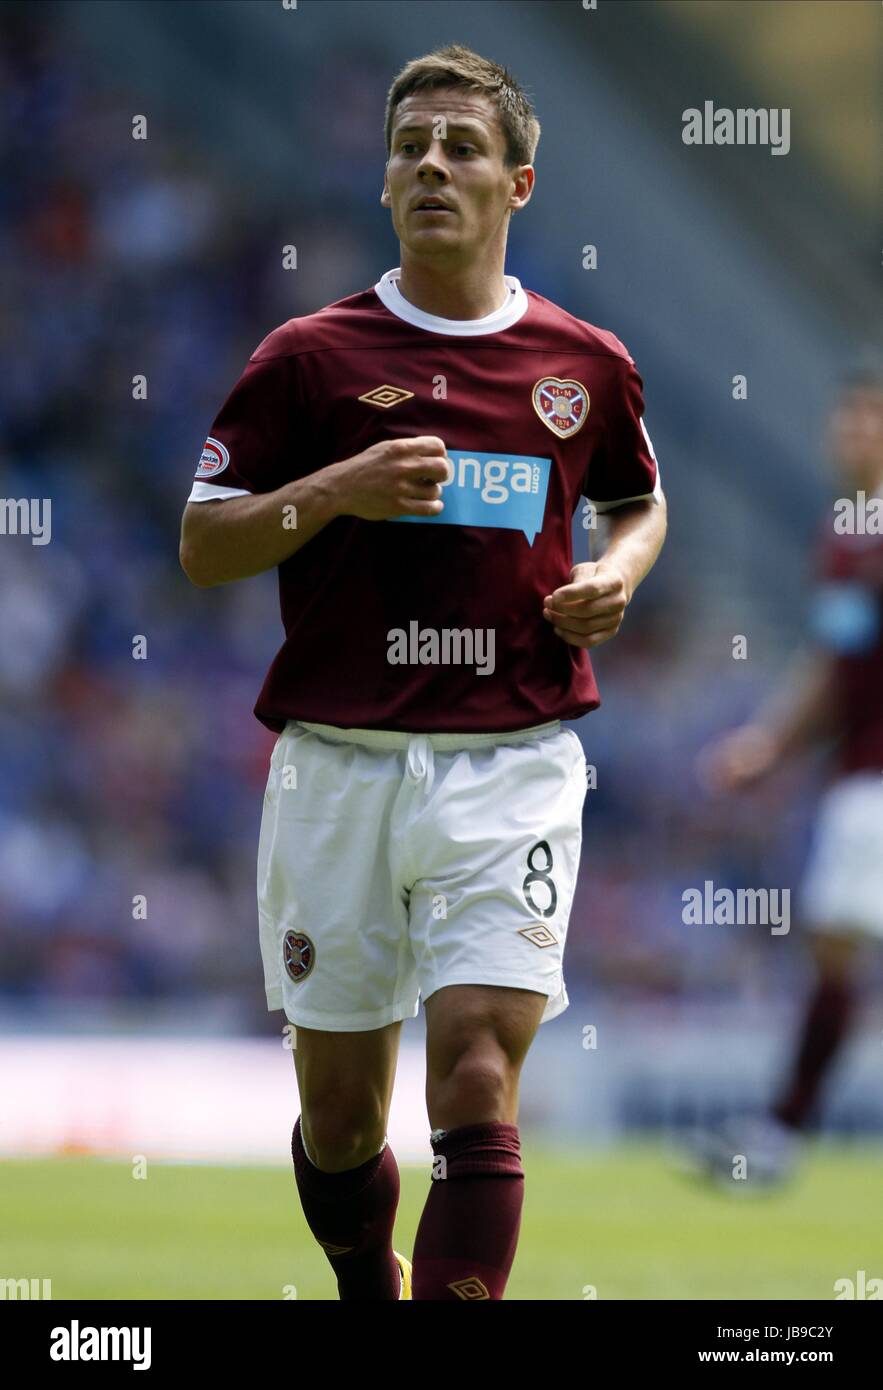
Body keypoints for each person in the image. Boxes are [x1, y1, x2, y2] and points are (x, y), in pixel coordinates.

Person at [179, 43, 666, 1299]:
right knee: (341, 1122)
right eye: (410, 149)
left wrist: (617, 577)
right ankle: (362, 1280)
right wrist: (339, 486)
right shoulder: (308, 358)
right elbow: (203, 544)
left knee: (474, 1074)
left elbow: (638, 503)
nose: (432, 166)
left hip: (511, 763)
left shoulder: (585, 364)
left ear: (520, 183)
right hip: (337, 769)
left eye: (460, 147)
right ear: (384, 184)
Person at [689, 362, 883, 1189]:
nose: (849, 435)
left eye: (867, 420)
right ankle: (778, 1132)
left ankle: (778, 1132)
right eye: (843, 420)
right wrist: (767, 743)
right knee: (836, 945)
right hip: (859, 773)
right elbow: (833, 660)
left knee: (840, 944)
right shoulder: (844, 534)